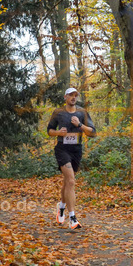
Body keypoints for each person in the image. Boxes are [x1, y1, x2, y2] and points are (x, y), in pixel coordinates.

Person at [46, 87, 96, 230]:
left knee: (67, 182)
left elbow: (93, 132)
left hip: (76, 150)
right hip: (62, 149)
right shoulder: (58, 112)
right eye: (71, 95)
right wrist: (58, 133)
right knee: (71, 181)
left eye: (76, 95)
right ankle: (72, 218)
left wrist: (79, 125)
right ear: (65, 97)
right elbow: (49, 131)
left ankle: (61, 207)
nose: (74, 97)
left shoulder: (82, 113)